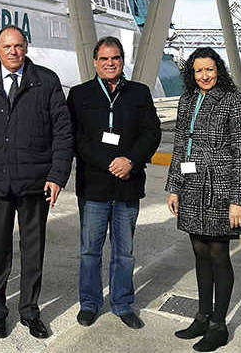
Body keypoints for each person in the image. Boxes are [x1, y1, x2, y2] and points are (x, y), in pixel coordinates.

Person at [0, 25, 73, 339]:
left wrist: (57, 176)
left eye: (18, 45)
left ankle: (30, 311)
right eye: (7, 46)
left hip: (35, 183)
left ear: (26, 46)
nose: (13, 52)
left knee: (33, 249)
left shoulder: (47, 81)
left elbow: (63, 133)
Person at [66, 36, 161, 329]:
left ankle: (122, 303)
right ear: (95, 62)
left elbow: (152, 133)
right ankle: (90, 303)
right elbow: (75, 139)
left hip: (127, 186)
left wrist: (130, 161)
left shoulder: (139, 93)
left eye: (115, 58)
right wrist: (109, 162)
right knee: (89, 250)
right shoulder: (80, 95)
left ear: (122, 61)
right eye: (104, 59)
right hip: (94, 186)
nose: (110, 64)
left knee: (125, 252)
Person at [166, 47, 241, 352]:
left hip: (220, 188)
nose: (205, 76)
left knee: (218, 254)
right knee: (199, 251)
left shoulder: (233, 100)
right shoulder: (187, 100)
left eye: (210, 70)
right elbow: (179, 146)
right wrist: (174, 187)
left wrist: (237, 199)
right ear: (192, 72)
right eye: (199, 70)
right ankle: (202, 316)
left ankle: (219, 325)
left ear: (219, 70)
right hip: (191, 186)